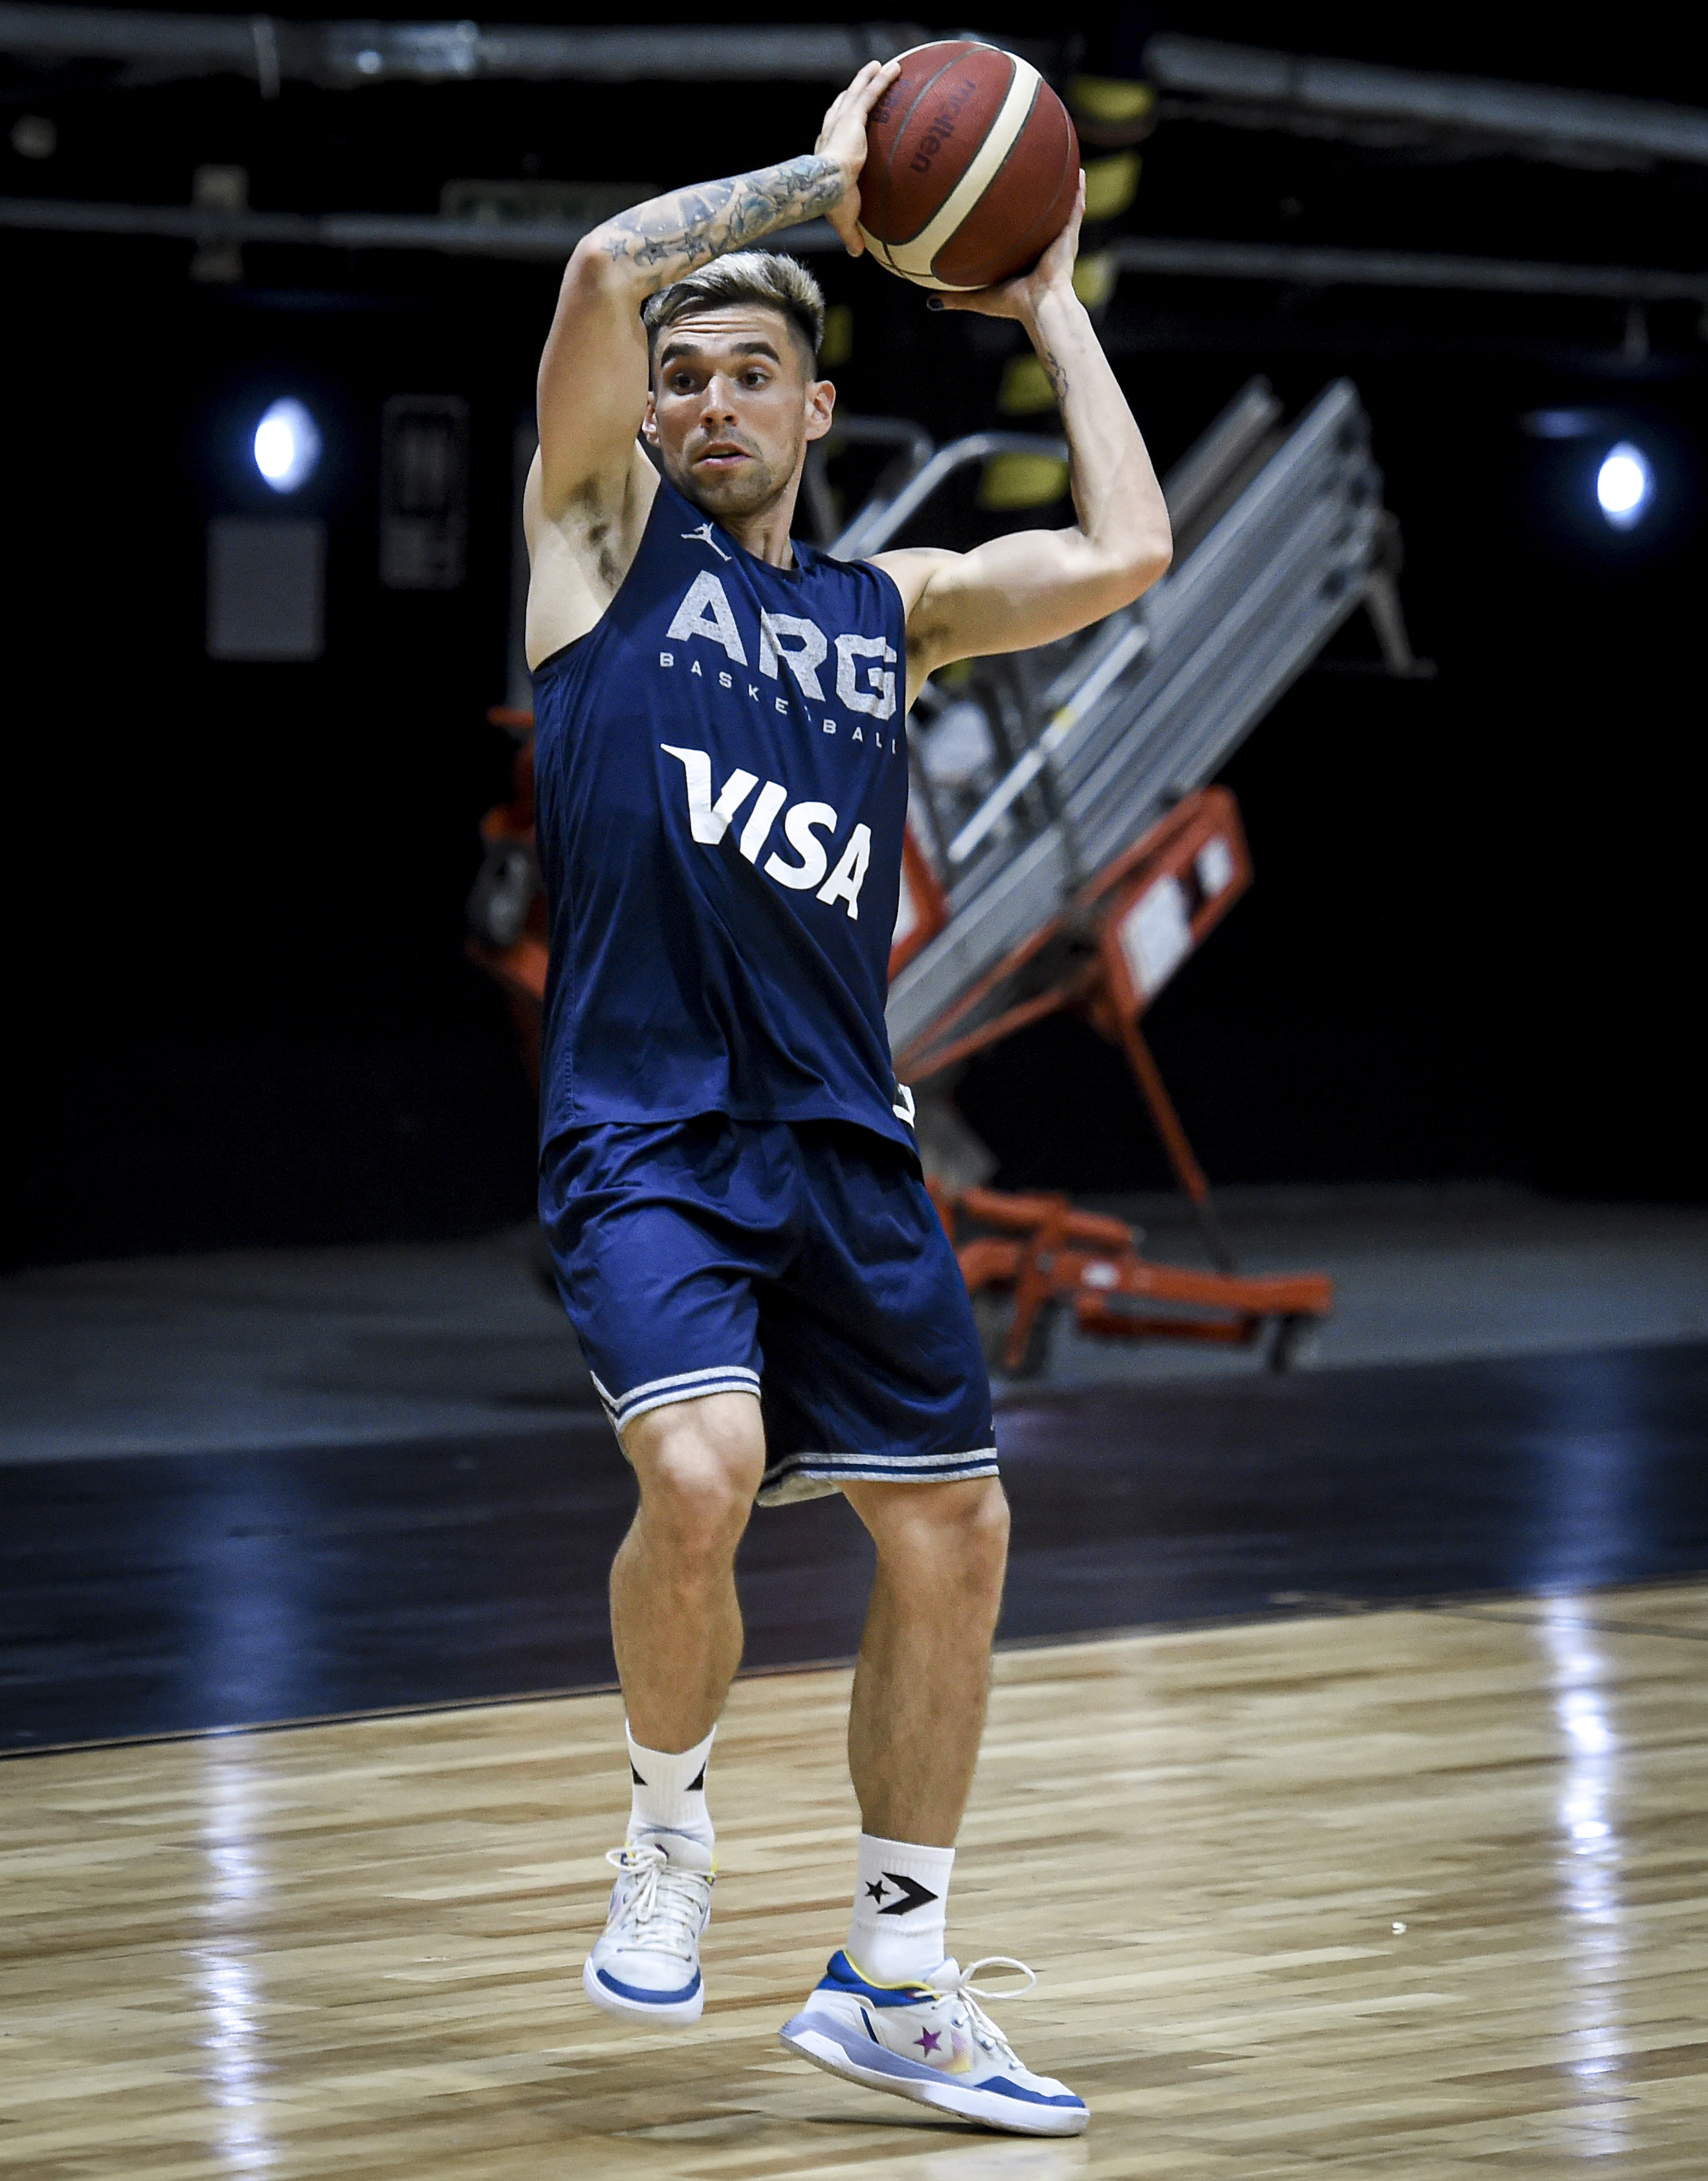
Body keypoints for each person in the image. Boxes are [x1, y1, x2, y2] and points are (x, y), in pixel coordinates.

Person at [525, 58, 1171, 2137]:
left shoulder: (885, 612)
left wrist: (1045, 291)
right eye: (680, 377)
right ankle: (667, 1828)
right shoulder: (601, 555)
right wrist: (833, 184)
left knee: (958, 1531)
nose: (705, 397)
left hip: (841, 1142)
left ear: (817, 417)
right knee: (700, 1476)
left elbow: (1130, 543)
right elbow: (603, 265)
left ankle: (893, 1970)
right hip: (649, 1135)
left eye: (749, 377)